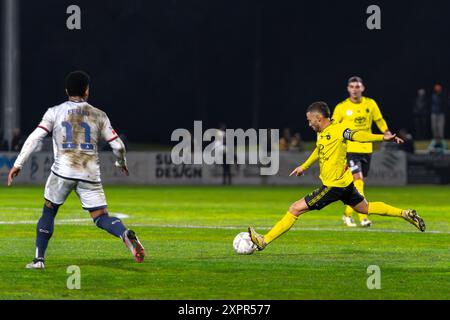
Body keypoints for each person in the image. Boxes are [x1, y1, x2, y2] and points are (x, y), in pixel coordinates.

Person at [7, 71, 145, 269]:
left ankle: (39, 260)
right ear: (87, 90)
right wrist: (120, 163)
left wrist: (18, 163)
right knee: (101, 217)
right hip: (89, 174)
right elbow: (118, 146)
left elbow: (35, 137)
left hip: (62, 172)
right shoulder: (99, 115)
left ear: (66, 91)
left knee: (49, 211)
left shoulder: (54, 112)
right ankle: (124, 234)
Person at [248, 102, 425, 251]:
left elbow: (358, 136)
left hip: (334, 186)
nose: (309, 124)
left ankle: (264, 241)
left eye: (310, 120)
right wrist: (304, 166)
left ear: (319, 117)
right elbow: (319, 150)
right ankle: (405, 214)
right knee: (364, 208)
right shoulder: (321, 133)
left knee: (295, 209)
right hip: (345, 184)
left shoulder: (339, 129)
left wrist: (383, 138)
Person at [332, 76, 391, 228]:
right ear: (348, 89)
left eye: (357, 86)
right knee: (358, 181)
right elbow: (332, 126)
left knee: (358, 183)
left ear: (362, 88)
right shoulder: (341, 107)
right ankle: (362, 217)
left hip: (367, 148)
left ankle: (347, 214)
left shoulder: (370, 104)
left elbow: (379, 119)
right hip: (350, 149)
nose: (355, 89)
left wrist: (386, 132)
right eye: (352, 87)